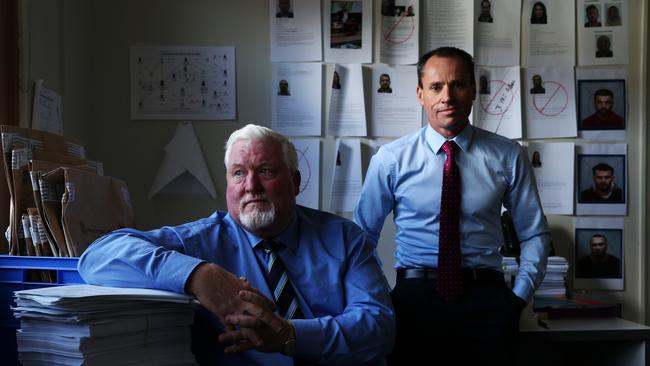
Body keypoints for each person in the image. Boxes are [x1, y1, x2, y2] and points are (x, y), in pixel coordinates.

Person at [78, 125, 395, 366]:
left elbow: (378, 326)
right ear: (228, 184)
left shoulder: (344, 238)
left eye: (266, 171)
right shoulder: (200, 241)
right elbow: (97, 256)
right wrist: (199, 276)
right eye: (239, 173)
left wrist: (290, 335)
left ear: (295, 182)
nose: (251, 186)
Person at [354, 47, 551, 365]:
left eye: (458, 84)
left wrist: (518, 298)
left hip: (488, 301)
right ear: (420, 94)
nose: (447, 96)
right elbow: (361, 239)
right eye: (436, 87)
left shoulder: (507, 155)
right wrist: (380, 296)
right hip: (413, 302)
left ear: (473, 91)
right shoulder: (391, 160)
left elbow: (534, 233)